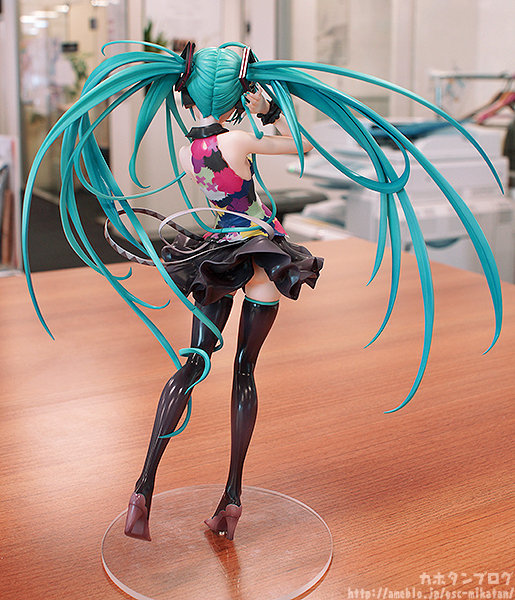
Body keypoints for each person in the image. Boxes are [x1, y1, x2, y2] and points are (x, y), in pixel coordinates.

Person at [22, 41, 503, 542]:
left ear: (189, 95)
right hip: (259, 253)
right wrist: (269, 111)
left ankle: (142, 489)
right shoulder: (240, 140)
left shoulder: (189, 151)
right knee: (244, 370)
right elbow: (302, 148)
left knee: (191, 365)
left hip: (217, 253)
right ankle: (231, 499)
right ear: (237, 95)